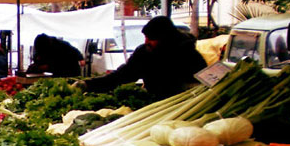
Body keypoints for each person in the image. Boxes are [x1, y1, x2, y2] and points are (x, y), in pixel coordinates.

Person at [74, 16, 207, 99]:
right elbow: (122, 76)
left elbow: (204, 83)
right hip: (153, 104)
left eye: (151, 38)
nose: (146, 42)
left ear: (166, 38)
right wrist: (88, 84)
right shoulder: (144, 53)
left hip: (182, 106)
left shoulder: (189, 55)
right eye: (145, 37)